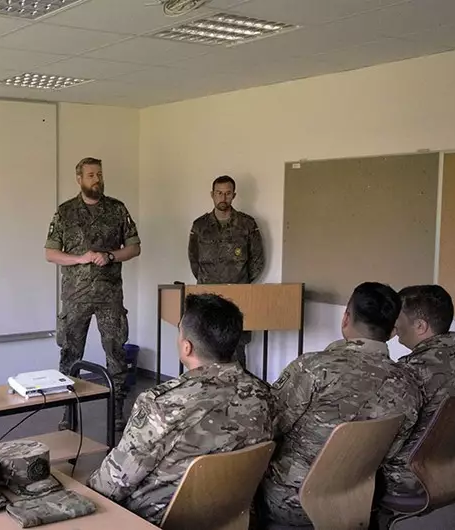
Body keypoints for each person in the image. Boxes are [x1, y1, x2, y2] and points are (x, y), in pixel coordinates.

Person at [88, 293, 274, 525]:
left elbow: (111, 485)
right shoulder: (263, 394)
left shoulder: (162, 404)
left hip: (157, 520)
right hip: (230, 516)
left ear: (187, 347)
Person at [256, 282, 422, 528]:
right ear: (391, 332)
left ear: (346, 318)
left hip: (293, 499)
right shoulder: (408, 383)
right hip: (359, 495)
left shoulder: (312, 368)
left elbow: (267, 428)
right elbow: (391, 449)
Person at [45, 157, 141, 432]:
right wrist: (80, 258)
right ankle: (68, 411)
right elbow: (50, 254)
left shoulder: (116, 209)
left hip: (109, 295)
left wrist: (110, 255)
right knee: (70, 355)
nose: (96, 179)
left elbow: (134, 247)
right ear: (79, 178)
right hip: (76, 296)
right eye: (90, 175)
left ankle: (117, 410)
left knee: (116, 352)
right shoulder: (65, 212)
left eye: (99, 174)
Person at [383, 285, 455, 497]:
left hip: (409, 477)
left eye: (397, 318)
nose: (394, 324)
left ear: (420, 326)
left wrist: (379, 338)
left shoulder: (410, 372)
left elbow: (381, 435)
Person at [187, 175, 264, 368]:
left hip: (238, 296)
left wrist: (240, 281)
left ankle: (240, 395)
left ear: (234, 195)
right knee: (204, 346)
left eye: (228, 193)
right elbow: (194, 259)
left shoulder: (247, 224)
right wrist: (208, 281)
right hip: (207, 297)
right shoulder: (200, 226)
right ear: (212, 195)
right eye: (219, 193)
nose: (223, 197)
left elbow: (257, 260)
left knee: (236, 348)